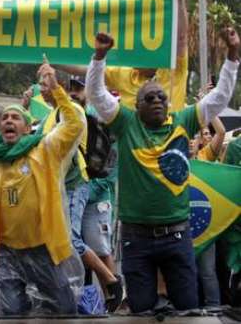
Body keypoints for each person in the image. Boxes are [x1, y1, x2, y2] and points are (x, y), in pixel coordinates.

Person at [85, 29, 239, 313]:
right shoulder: (126, 123)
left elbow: (220, 97)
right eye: (149, 98)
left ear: (168, 103)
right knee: (142, 309)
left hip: (177, 236)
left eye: (161, 97)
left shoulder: (184, 121)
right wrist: (99, 56)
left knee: (188, 308)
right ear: (136, 106)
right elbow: (95, 93)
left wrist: (232, 55)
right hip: (136, 238)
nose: (156, 101)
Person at [0, 60, 83, 315]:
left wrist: (56, 90)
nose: (9, 120)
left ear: (27, 127)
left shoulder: (45, 149)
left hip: (42, 248)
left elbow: (74, 124)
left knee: (64, 310)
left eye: (15, 117)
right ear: (0, 128)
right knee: (12, 314)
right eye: (5, 118)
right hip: (6, 252)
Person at [57, 0, 189, 111]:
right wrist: (47, 55)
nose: (135, 57)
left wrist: (179, 0)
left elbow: (181, 38)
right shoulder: (125, 73)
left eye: (143, 50)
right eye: (133, 51)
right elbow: (83, 68)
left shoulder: (172, 69)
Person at [46, 75, 122, 311]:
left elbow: (110, 169)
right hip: (73, 192)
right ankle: (89, 301)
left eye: (79, 88)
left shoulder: (102, 123)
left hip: (95, 196)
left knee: (99, 247)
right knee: (74, 245)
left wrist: (85, 189)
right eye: (70, 88)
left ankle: (113, 297)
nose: (73, 93)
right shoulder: (61, 117)